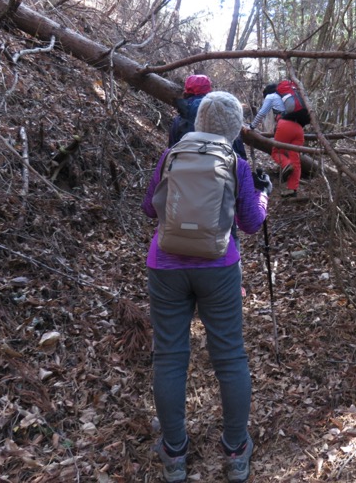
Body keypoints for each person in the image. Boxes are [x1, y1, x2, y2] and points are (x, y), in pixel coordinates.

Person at [142, 91, 272, 483]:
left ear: (198, 121)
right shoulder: (236, 162)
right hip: (218, 266)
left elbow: (150, 207)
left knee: (169, 358)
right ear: (235, 128)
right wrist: (264, 196)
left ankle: (175, 452)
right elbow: (250, 223)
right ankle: (235, 452)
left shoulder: (172, 155)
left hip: (164, 264)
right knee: (230, 358)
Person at [169, 74, 247, 160]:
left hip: (184, 169)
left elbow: (171, 151)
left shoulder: (179, 119)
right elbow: (239, 153)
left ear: (187, 91)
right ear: (209, 90)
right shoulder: (225, 117)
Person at [249, 82, 304, 197]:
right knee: (295, 158)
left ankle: (287, 165)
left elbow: (262, 113)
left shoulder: (271, 96)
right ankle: (293, 190)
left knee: (277, 152)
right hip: (299, 127)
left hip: (285, 125)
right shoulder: (289, 98)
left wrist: (251, 127)